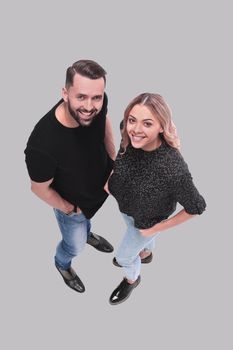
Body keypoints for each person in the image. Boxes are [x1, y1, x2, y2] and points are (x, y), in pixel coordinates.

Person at [24, 59, 116, 293]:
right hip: (73, 206)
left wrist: (114, 161)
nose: (90, 106)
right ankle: (62, 263)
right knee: (73, 246)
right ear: (65, 93)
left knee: (84, 226)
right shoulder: (42, 144)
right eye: (81, 97)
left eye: (97, 97)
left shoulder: (98, 104)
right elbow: (39, 189)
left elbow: (104, 119)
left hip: (97, 192)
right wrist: (70, 209)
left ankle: (87, 233)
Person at [108, 93, 206, 305]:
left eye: (147, 123)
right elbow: (122, 153)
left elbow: (196, 207)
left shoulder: (172, 168)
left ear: (162, 126)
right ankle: (145, 252)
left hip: (147, 220)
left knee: (124, 257)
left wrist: (156, 229)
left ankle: (132, 278)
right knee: (135, 232)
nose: (135, 129)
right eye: (132, 120)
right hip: (126, 206)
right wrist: (111, 179)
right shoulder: (128, 132)